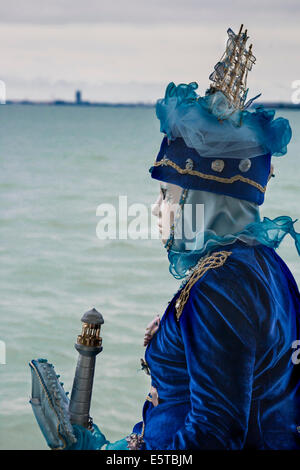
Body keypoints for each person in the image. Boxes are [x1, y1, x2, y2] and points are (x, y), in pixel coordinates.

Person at [33, 25, 300, 450]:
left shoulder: (221, 286)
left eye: (166, 195)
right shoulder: (264, 264)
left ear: (206, 200)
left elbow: (214, 438)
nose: (156, 210)